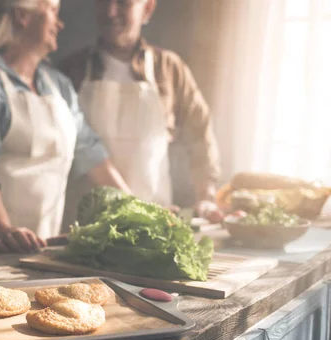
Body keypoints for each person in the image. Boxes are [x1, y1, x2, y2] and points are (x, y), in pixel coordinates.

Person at [0, 0, 130, 263]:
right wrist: (1, 230)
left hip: (33, 249)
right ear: (22, 16)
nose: (60, 24)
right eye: (53, 12)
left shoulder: (59, 86)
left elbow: (92, 154)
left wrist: (143, 210)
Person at [59, 0, 224, 230]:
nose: (110, 12)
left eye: (124, 3)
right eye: (104, 2)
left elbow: (200, 132)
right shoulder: (71, 70)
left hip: (155, 221)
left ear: (147, 9)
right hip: (85, 225)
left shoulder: (169, 68)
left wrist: (206, 196)